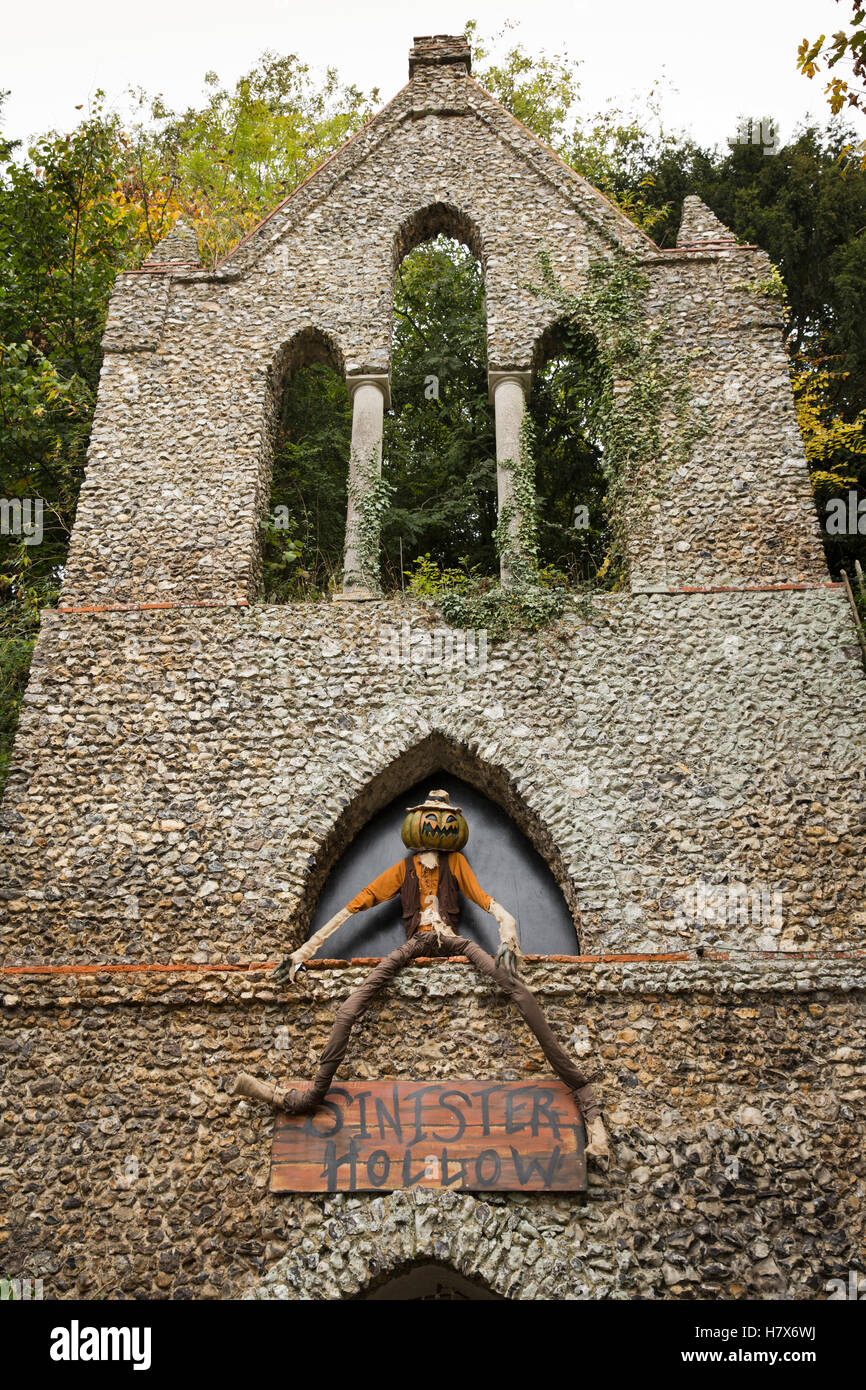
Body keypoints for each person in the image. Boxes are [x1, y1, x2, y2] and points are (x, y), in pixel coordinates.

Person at [234, 789, 610, 1159]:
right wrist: (303, 951)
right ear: (417, 823)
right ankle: (307, 1096)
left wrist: (508, 935)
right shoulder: (404, 870)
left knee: (519, 992)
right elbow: (358, 903)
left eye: (444, 818)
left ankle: (587, 1104)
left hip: (454, 943)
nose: (437, 825)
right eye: (429, 817)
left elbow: (483, 898)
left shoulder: (457, 864)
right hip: (416, 945)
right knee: (350, 1008)